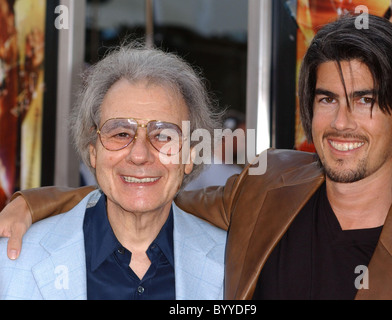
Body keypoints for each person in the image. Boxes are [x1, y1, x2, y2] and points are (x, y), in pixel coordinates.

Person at [1, 14, 392, 300]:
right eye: (328, 98)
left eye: (365, 99)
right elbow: (151, 197)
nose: (342, 121)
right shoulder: (268, 188)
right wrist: (33, 203)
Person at [0, 43, 227, 299]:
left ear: (189, 156)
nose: (139, 155)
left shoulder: (235, 265)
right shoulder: (12, 263)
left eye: (163, 135)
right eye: (121, 133)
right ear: (93, 150)